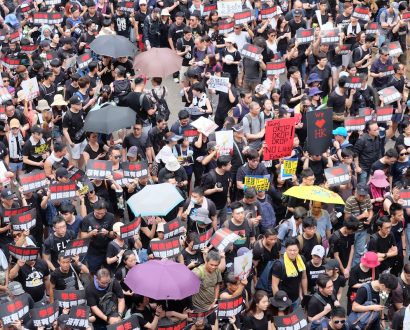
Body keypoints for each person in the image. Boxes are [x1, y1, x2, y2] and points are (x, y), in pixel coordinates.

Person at [80, 199, 115, 274]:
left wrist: (108, 233)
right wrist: (91, 233)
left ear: (105, 210)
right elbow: (82, 237)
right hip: (93, 250)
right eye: (97, 213)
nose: (99, 215)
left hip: (108, 248)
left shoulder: (111, 216)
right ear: (94, 210)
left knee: (109, 271)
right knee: (93, 271)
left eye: (102, 213)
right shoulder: (87, 219)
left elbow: (114, 234)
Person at [271, 238, 308, 308]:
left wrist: (304, 295)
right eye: (290, 250)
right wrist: (279, 303)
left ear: (298, 250)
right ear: (285, 250)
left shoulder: (302, 260)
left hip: (296, 298)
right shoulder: (279, 264)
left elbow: (303, 277)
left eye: (295, 250)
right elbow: (274, 285)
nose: (292, 253)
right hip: (283, 300)